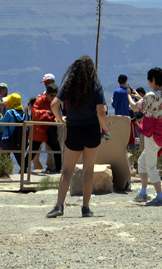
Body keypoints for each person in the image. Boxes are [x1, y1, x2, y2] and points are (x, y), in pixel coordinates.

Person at [46, 56, 110, 218]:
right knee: (88, 170)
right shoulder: (96, 87)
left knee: (67, 170)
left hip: (74, 129)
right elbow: (101, 111)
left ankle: (59, 206)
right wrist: (105, 129)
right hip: (92, 131)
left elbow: (54, 105)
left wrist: (61, 120)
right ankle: (86, 208)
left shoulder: (68, 86)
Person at [128, 68, 162, 207]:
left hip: (152, 133)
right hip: (161, 131)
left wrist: (129, 95)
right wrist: (140, 97)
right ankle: (143, 192)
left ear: (152, 80)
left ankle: (160, 196)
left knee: (151, 166)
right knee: (142, 162)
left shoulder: (150, 96)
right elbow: (154, 104)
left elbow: (135, 107)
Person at [31, 83, 62, 173]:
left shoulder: (55, 102)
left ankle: (59, 170)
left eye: (55, 96)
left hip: (49, 130)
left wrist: (56, 119)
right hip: (39, 130)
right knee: (32, 152)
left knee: (57, 149)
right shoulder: (40, 100)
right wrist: (45, 112)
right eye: (51, 95)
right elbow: (34, 112)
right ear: (47, 94)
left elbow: (56, 113)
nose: (53, 97)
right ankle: (23, 170)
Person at [0, 93, 27, 173]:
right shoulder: (24, 114)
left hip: (7, 138)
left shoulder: (9, 112)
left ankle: (4, 173)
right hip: (18, 139)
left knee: (5, 158)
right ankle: (24, 174)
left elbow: (4, 126)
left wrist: (1, 118)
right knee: (20, 158)